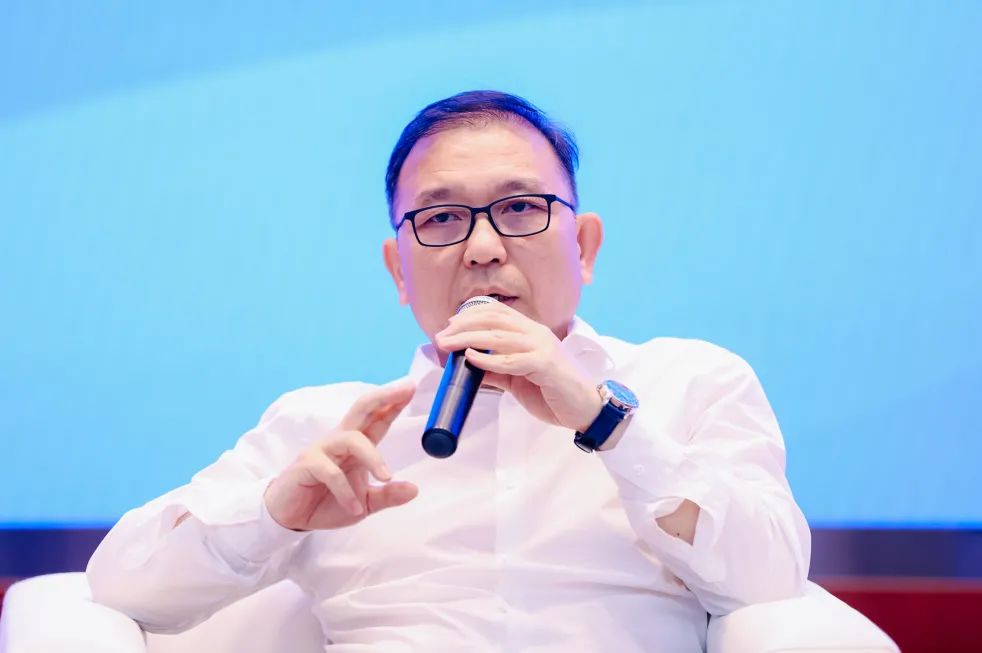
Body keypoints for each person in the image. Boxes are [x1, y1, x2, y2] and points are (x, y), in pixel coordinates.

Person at [87, 90, 810, 652]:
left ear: (584, 248)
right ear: (399, 271)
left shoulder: (690, 383)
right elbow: (120, 584)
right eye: (440, 219)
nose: (484, 248)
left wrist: (606, 423)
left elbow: (772, 578)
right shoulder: (327, 429)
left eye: (521, 208)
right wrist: (277, 511)